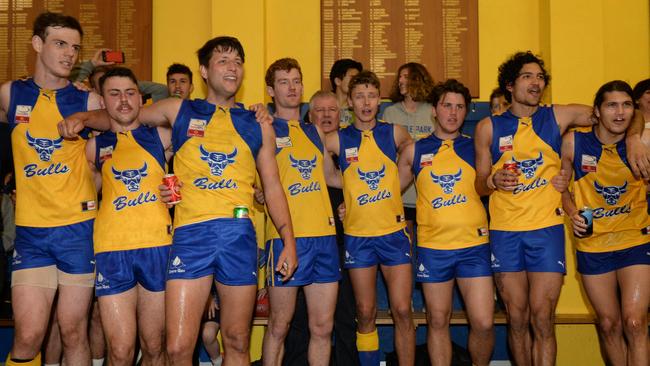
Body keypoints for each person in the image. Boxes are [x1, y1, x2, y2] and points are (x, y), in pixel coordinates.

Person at [58, 35, 296, 366]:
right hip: (189, 237)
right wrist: (84, 119)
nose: (232, 68)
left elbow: (272, 186)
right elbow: (125, 116)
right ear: (204, 70)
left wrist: (288, 240)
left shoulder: (256, 123)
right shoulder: (178, 109)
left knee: (238, 341)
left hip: (238, 236)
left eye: (238, 62)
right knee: (178, 348)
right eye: (223, 61)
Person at [473, 51, 647, 366]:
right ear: (510, 84)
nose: (536, 82)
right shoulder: (488, 127)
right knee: (516, 318)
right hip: (505, 231)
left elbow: (618, 114)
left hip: (546, 230)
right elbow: (479, 185)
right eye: (528, 76)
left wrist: (634, 139)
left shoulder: (558, 116)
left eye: (540, 77)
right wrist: (493, 180)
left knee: (542, 318)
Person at [0, 12, 103, 366]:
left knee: (73, 330)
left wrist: (88, 118)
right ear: (37, 44)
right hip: (31, 232)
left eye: (75, 47)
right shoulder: (11, 93)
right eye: (60, 44)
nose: (69, 54)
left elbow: (123, 123)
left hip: (78, 230)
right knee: (27, 336)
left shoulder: (86, 100)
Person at [397, 79, 494, 366]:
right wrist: (347, 202)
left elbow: (491, 185)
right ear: (435, 111)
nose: (453, 112)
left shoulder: (477, 148)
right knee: (437, 320)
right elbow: (388, 193)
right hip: (433, 247)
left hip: (473, 245)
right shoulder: (415, 151)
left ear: (467, 112)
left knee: (484, 322)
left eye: (460, 107)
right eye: (447, 105)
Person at [325, 71, 414, 366]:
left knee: (402, 310)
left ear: (379, 100)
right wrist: (349, 192)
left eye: (372, 96)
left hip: (392, 233)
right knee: (365, 311)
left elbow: (414, 159)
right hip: (358, 236)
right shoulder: (337, 138)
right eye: (360, 96)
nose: (366, 103)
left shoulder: (395, 133)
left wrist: (394, 188)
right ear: (349, 101)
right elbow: (324, 170)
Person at [85, 67, 173, 365]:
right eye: (114, 93)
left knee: (154, 346)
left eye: (130, 92)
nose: (123, 100)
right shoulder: (94, 146)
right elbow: (82, 198)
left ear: (140, 97)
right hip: (111, 250)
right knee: (120, 351)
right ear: (103, 101)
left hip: (157, 247)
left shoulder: (162, 136)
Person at [561, 80, 649, 366]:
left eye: (626, 105)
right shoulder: (574, 142)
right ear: (597, 111)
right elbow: (562, 187)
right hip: (593, 245)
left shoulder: (641, 142)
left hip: (635, 240)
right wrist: (573, 212)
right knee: (609, 324)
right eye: (612, 105)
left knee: (635, 322)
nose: (620, 112)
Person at [260, 58, 341, 366]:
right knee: (279, 326)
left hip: (324, 237)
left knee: (322, 327)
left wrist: (372, 188)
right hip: (286, 238)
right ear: (270, 90)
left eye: (296, 80)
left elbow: (332, 178)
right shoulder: (263, 128)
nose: (292, 88)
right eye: (283, 82)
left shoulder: (314, 132)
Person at [383, 62, 436, 237]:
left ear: (418, 80)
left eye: (406, 76)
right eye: (400, 77)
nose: (401, 80)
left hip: (428, 191)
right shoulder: (390, 113)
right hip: (401, 191)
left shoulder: (432, 112)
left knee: (428, 240)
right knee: (404, 242)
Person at [70, 48, 169, 103]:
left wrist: (127, 85)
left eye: (107, 80)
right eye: (101, 82)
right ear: (94, 89)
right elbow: (69, 86)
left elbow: (163, 91)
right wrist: (92, 64)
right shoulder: (89, 104)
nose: (108, 85)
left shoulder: (129, 102)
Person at [329, 59, 363, 126]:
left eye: (358, 79)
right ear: (338, 81)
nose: (356, 82)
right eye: (353, 78)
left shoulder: (361, 109)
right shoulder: (321, 107)